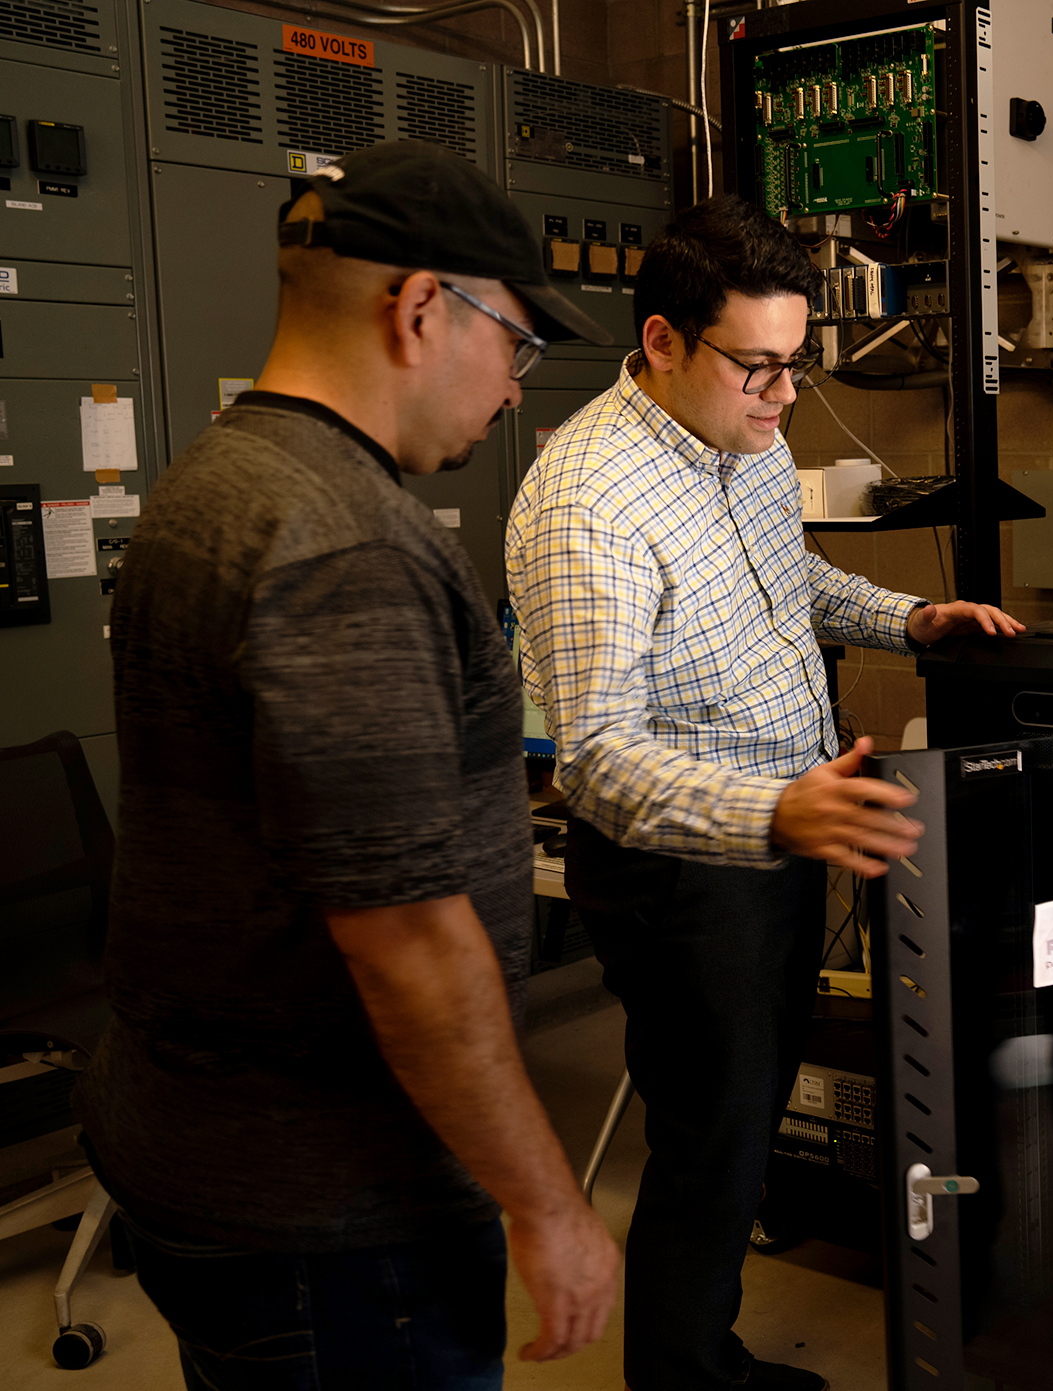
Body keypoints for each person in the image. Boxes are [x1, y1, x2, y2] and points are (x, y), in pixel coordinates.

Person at [76, 141, 623, 1388]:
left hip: (205, 1150)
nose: (512, 389)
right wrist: (547, 1201)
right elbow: (406, 942)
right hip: (333, 1208)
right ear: (421, 307)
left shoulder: (218, 477)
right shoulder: (344, 546)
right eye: (515, 344)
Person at [505, 193, 1023, 1391]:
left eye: (795, 366)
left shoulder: (742, 435)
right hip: (688, 874)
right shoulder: (591, 501)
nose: (784, 397)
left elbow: (787, 572)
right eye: (759, 368)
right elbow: (595, 756)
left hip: (778, 832)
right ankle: (682, 1376)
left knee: (739, 1124)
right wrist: (774, 813)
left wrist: (910, 616)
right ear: (662, 343)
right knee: (712, 1142)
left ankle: (704, 1352)